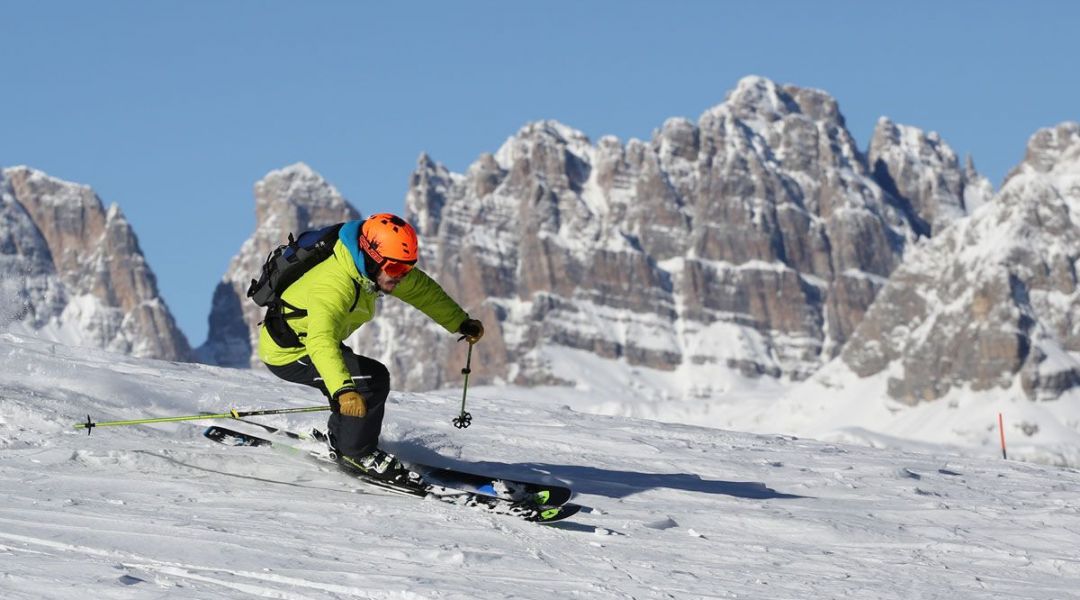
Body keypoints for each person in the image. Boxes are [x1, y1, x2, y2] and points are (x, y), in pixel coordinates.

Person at [257, 213, 484, 482]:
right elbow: (321, 342)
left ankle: (344, 438)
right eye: (398, 270)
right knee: (369, 381)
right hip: (290, 352)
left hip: (313, 342)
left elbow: (421, 290)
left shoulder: (375, 269)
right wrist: (344, 390)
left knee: (359, 382)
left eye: (408, 268)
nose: (402, 276)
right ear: (371, 257)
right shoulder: (334, 284)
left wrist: (460, 322)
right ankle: (356, 454)